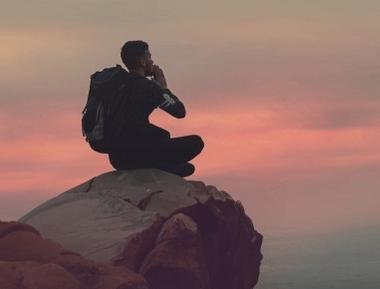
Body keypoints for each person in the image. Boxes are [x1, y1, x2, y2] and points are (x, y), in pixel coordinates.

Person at [107, 40, 204, 177]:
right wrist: (163, 88)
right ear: (142, 61)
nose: (152, 62)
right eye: (149, 57)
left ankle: (158, 165)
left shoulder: (118, 86)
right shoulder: (147, 87)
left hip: (117, 158)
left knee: (163, 136)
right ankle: (155, 166)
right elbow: (179, 111)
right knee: (196, 143)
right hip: (139, 154)